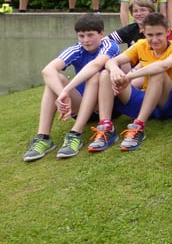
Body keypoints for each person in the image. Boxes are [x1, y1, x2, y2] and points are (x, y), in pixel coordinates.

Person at [22, 14, 119, 161]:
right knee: (55, 79)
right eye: (81, 36)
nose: (85, 40)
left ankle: (75, 134)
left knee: (95, 75)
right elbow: (47, 70)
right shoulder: (76, 49)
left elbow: (95, 65)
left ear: (101, 34)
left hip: (106, 106)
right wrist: (63, 94)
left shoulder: (109, 45)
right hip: (81, 105)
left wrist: (66, 90)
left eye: (90, 35)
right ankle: (43, 137)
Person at [96, 13, 172, 152]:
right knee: (105, 74)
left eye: (159, 34)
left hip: (170, 103)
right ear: (143, 32)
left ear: (168, 32)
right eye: (150, 35)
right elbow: (112, 61)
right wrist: (114, 70)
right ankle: (106, 128)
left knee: (157, 73)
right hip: (147, 97)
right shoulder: (141, 44)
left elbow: (163, 66)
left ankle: (138, 126)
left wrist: (129, 77)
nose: (154, 39)